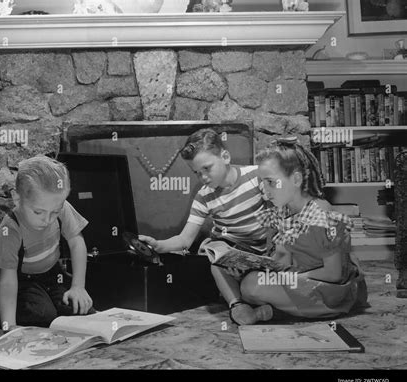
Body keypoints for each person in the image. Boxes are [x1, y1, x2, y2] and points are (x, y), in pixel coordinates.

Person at [139, 128, 273, 325]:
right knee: (214, 256)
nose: (203, 177)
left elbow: (277, 219)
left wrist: (269, 256)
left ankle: (256, 301)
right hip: (231, 253)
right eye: (196, 173)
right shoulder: (204, 196)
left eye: (207, 168)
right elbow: (185, 240)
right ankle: (237, 305)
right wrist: (158, 245)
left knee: (257, 287)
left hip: (264, 252)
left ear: (225, 157)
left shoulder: (255, 176)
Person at [240, 136, 368, 318]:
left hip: (328, 285)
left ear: (296, 179)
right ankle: (280, 309)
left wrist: (290, 279)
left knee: (254, 287)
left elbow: (334, 274)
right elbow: (283, 260)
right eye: (262, 182)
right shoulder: (283, 210)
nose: (264, 190)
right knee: (249, 283)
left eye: (270, 182)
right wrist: (251, 265)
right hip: (299, 277)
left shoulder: (321, 215)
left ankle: (285, 311)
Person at [0, 155, 93, 330]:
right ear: (17, 198)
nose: (47, 219)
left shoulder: (60, 207)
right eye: (38, 212)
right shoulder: (9, 230)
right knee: (42, 314)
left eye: (55, 211)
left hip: (53, 274)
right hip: (22, 280)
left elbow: (77, 242)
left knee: (80, 308)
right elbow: (8, 280)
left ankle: (50, 299)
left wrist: (78, 287)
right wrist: (10, 326)